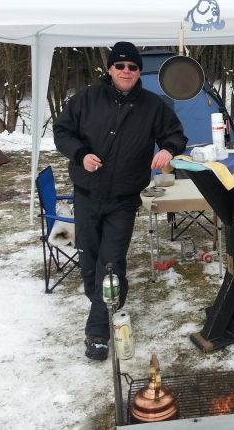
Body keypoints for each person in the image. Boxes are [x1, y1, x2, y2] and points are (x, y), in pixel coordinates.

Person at [54, 41, 187, 361]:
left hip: (124, 199)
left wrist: (168, 149)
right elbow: (62, 131)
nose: (126, 71)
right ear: (110, 69)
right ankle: (106, 303)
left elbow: (175, 134)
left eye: (132, 67)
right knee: (90, 262)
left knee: (111, 262)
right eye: (120, 66)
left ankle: (98, 332)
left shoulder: (152, 105)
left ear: (139, 71)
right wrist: (81, 154)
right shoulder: (86, 99)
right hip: (87, 194)